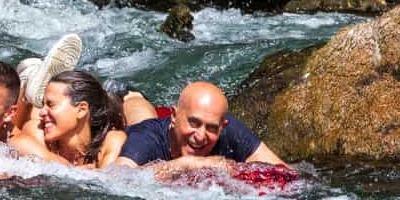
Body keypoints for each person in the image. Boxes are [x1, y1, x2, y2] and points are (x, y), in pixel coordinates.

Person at [114, 81, 289, 177]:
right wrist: (188, 164)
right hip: (148, 127)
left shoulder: (231, 131)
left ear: (222, 126)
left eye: (212, 128)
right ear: (174, 116)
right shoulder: (145, 138)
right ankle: (128, 92)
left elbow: (284, 172)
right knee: (141, 116)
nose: (200, 136)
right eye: (194, 123)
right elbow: (118, 178)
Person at [8, 70, 127, 168]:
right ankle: (27, 84)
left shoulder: (112, 139)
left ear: (81, 110)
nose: (42, 112)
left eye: (51, 104)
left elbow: (109, 181)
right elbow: (15, 143)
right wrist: (73, 171)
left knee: (135, 103)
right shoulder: (37, 130)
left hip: (122, 97)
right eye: (43, 105)